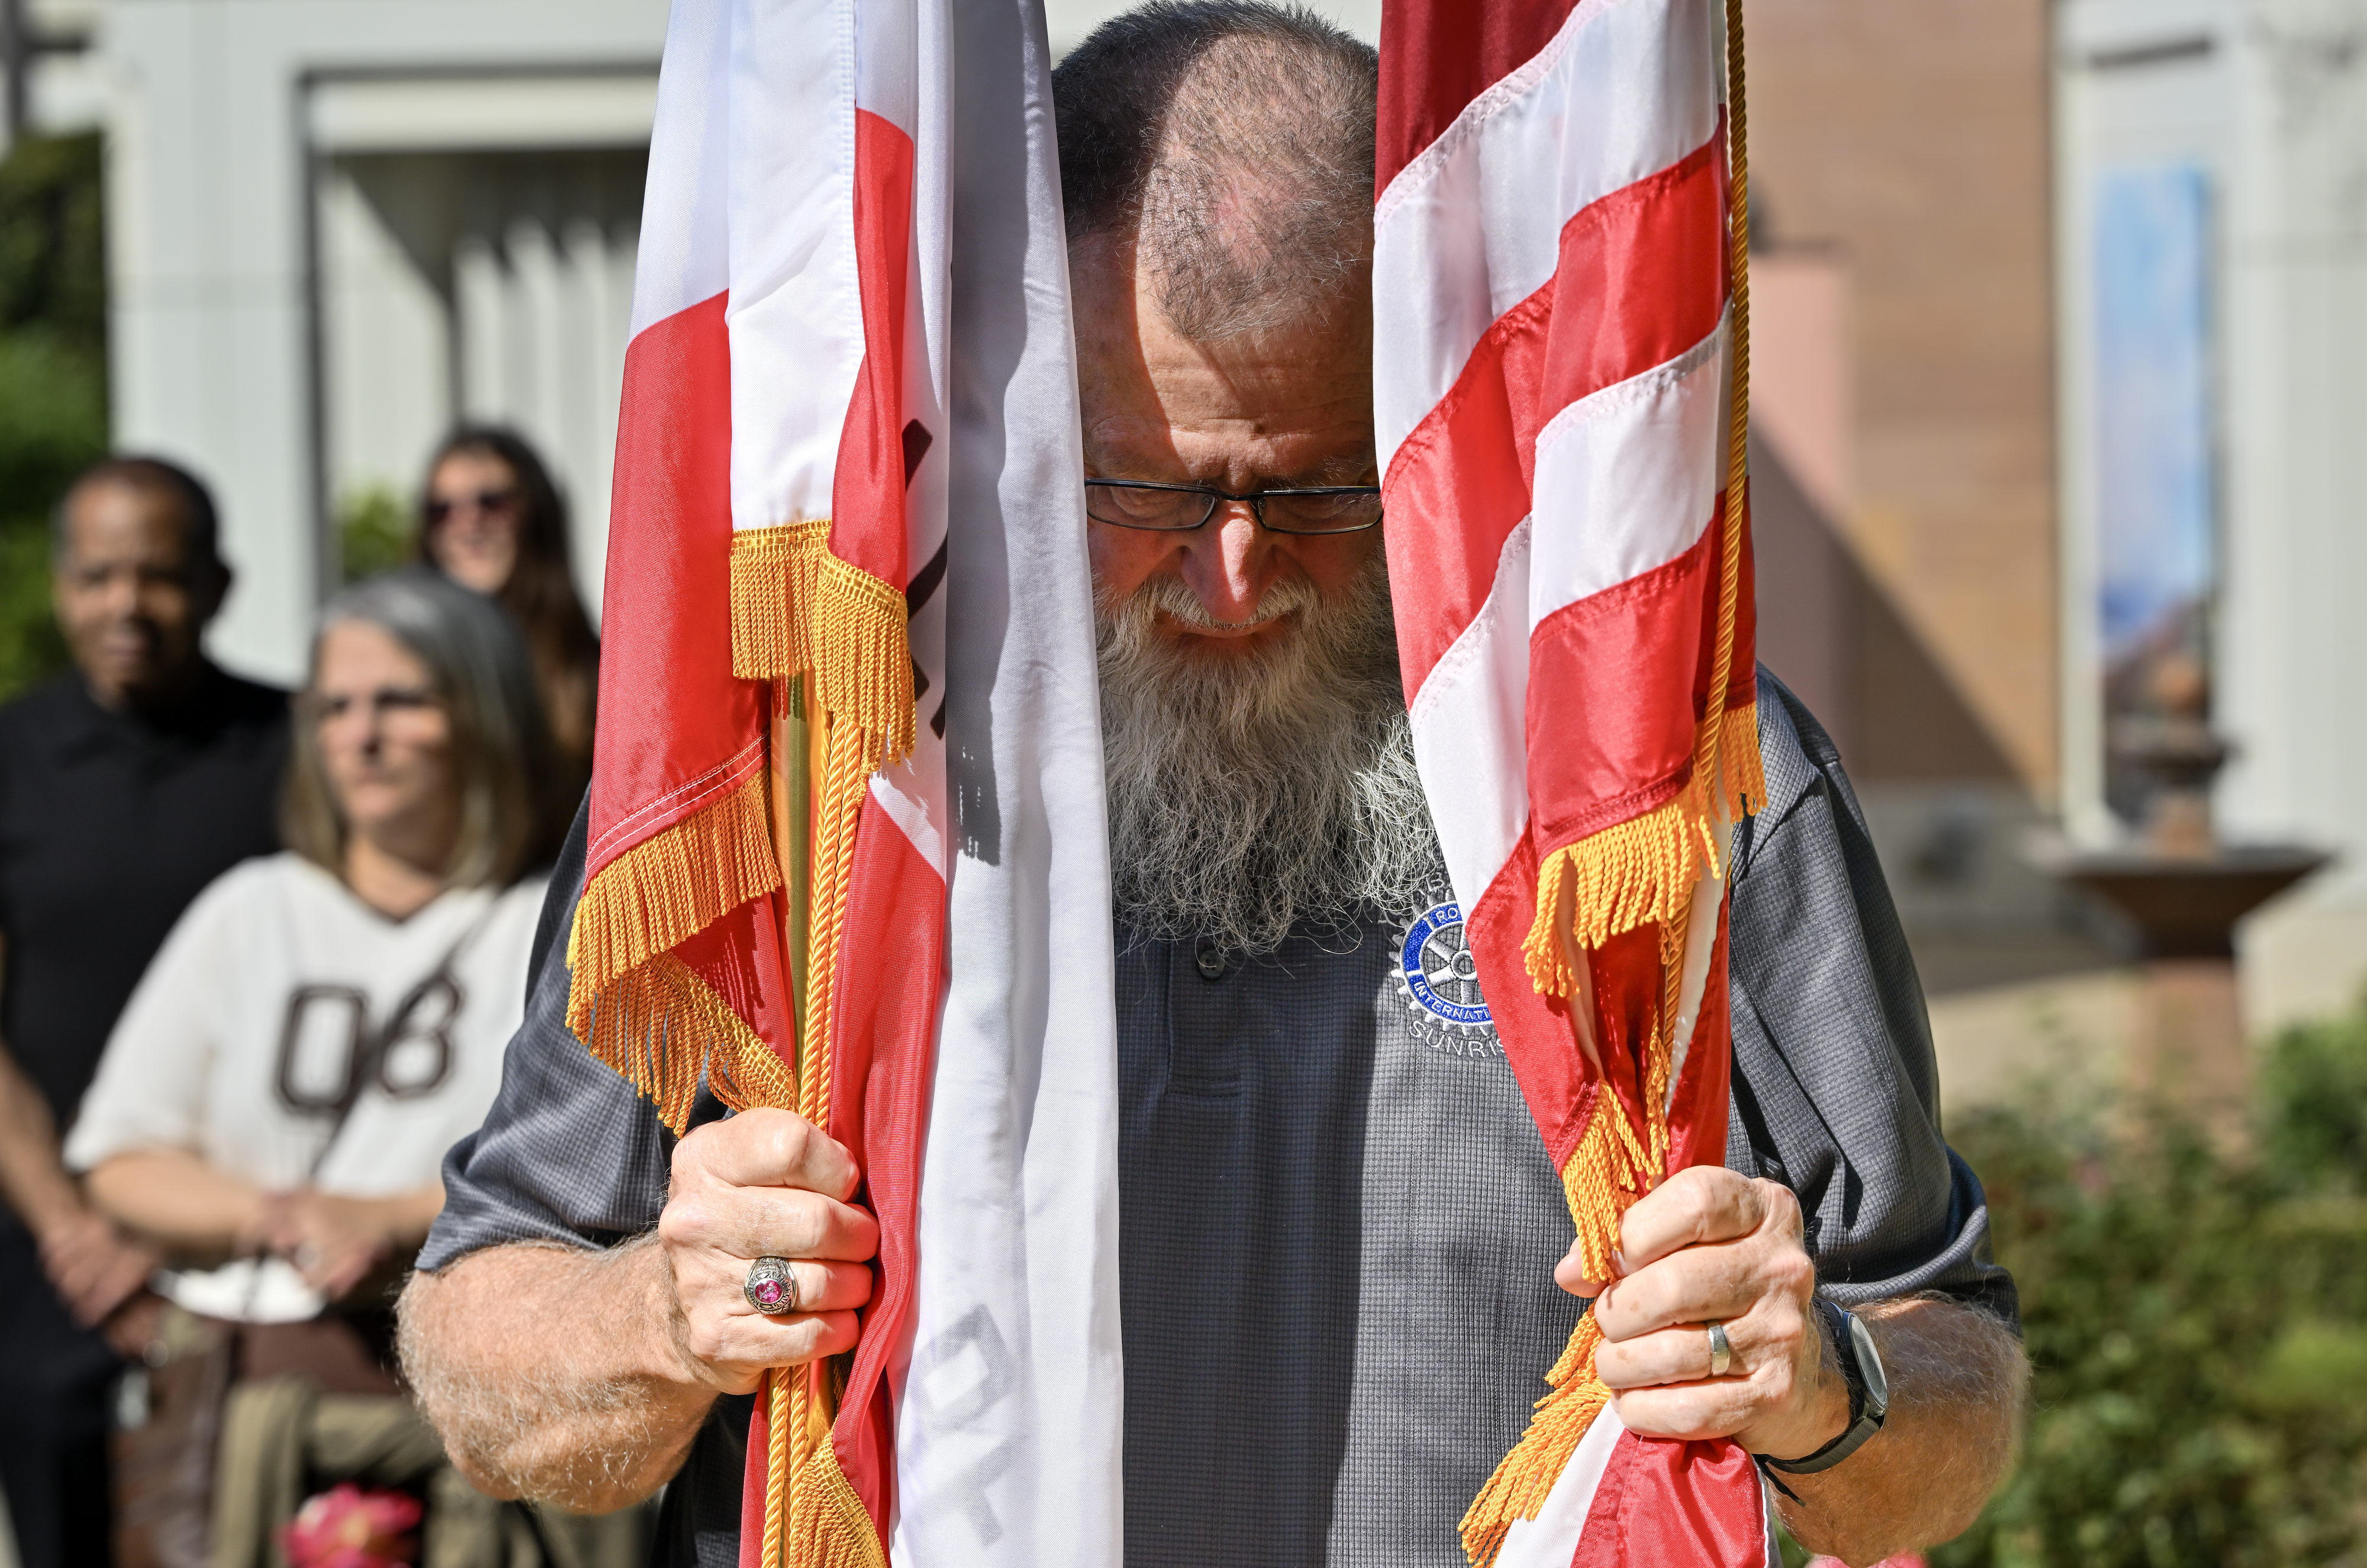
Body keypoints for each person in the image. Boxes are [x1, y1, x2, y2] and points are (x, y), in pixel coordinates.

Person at [396, 8, 2030, 1567]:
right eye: (1143, 487)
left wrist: (1828, 1386)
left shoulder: (1660, 783)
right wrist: (662, 1314)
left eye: (1313, 485)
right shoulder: (809, 783)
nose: (1233, 579)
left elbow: (1952, 1380)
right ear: (1000, 418)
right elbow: (483, 1352)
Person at [61, 569, 567, 1566]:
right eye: (335, 707)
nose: (361, 735)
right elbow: (121, 1159)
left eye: (402, 700)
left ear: (486, 713)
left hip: (476, 1428)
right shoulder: (250, 911)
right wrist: (277, 1214)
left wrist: (383, 1223)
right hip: (253, 1420)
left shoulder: (552, 923)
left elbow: (590, 1169)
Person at [0, 456, 288, 1568]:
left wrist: (187, 1221)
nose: (126, 605)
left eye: (159, 576)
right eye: (98, 575)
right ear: (62, 587)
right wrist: (81, 1234)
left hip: (252, 1247)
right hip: (48, 1263)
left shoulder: (296, 747)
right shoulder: (13, 759)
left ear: (218, 585)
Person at [415, 427, 601, 796]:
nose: (468, 523)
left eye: (493, 502)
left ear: (538, 515)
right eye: (442, 510)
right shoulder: (407, 664)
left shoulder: (601, 674)